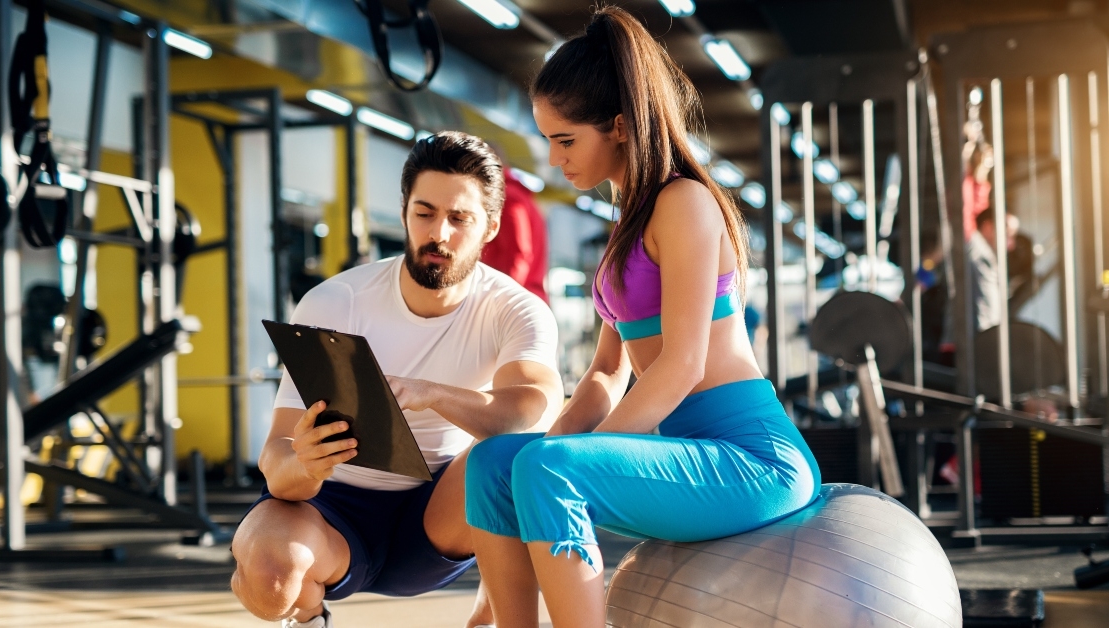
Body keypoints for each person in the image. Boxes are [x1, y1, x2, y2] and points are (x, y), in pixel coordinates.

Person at [462, 8, 821, 628]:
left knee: (549, 470)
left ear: (621, 127)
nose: (553, 158)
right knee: (494, 464)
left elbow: (683, 366)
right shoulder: (626, 225)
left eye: (565, 140)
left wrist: (574, 462)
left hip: (751, 459)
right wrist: (552, 453)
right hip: (685, 450)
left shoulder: (684, 202)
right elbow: (606, 374)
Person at [230, 131, 564, 628]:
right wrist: (305, 463)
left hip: (438, 519)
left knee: (516, 454)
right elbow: (275, 462)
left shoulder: (515, 309)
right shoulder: (335, 302)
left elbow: (534, 406)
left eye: (459, 219)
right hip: (329, 508)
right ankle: (308, 614)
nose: (439, 234)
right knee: (268, 579)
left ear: (490, 227)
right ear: (404, 211)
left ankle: (496, 613)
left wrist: (431, 393)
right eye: (424, 213)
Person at [481, 165, 549, 303]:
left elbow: (517, 254)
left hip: (514, 302)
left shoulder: (507, 197)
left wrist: (502, 301)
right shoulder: (520, 195)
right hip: (525, 296)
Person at [968, 208, 1019, 332]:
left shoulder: (982, 254)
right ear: (988, 228)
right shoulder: (980, 255)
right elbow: (984, 308)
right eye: (1008, 235)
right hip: (975, 336)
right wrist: (988, 337)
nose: (1011, 245)